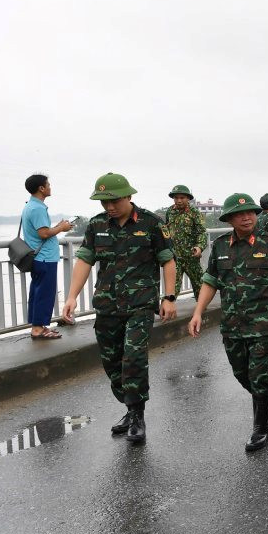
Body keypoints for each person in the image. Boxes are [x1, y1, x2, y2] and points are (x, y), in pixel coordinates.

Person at [62, 173, 177, 444]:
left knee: (133, 359)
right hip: (107, 305)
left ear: (128, 196)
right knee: (112, 362)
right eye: (104, 202)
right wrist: (71, 297)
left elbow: (167, 261)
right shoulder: (97, 225)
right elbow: (84, 261)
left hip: (140, 304)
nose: (109, 207)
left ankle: (137, 415)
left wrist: (169, 297)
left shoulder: (151, 223)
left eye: (114, 200)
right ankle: (129, 407)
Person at [188, 193, 268, 451]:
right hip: (232, 324)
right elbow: (210, 281)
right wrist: (197, 312)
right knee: (241, 374)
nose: (246, 217)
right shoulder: (221, 246)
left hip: (263, 324)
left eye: (250, 212)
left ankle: (260, 427)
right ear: (229, 219)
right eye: (239, 214)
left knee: (259, 375)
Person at [21, 174, 72, 339]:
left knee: (38, 292)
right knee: (45, 293)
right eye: (48, 184)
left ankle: (39, 326)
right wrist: (62, 228)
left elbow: (42, 231)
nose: (50, 187)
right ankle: (37, 329)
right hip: (44, 258)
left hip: (39, 258)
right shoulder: (37, 208)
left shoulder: (31, 206)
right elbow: (43, 233)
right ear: (41, 188)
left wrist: (57, 226)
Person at [165, 184, 208, 297]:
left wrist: (199, 247)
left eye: (182, 198)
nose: (179, 201)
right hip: (175, 258)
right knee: (172, 288)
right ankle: (169, 310)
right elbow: (166, 230)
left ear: (188, 198)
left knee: (199, 285)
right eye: (176, 198)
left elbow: (201, 232)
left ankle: (202, 310)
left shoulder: (194, 212)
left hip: (191, 257)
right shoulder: (170, 211)